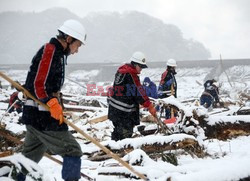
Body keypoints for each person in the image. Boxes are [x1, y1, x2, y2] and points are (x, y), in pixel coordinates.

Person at [19, 19, 87, 181]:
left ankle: (12, 178)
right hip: (42, 115)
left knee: (28, 158)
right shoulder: (50, 50)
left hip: (35, 115)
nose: (77, 50)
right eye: (78, 45)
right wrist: (51, 101)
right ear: (69, 39)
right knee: (72, 150)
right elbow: (38, 83)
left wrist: (54, 102)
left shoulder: (58, 54)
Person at [108, 51, 157, 141]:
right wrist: (150, 106)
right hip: (124, 113)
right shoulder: (131, 75)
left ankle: (114, 150)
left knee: (117, 133)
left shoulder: (121, 71)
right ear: (135, 64)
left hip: (114, 110)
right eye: (141, 67)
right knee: (125, 136)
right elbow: (139, 92)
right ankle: (122, 153)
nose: (141, 69)